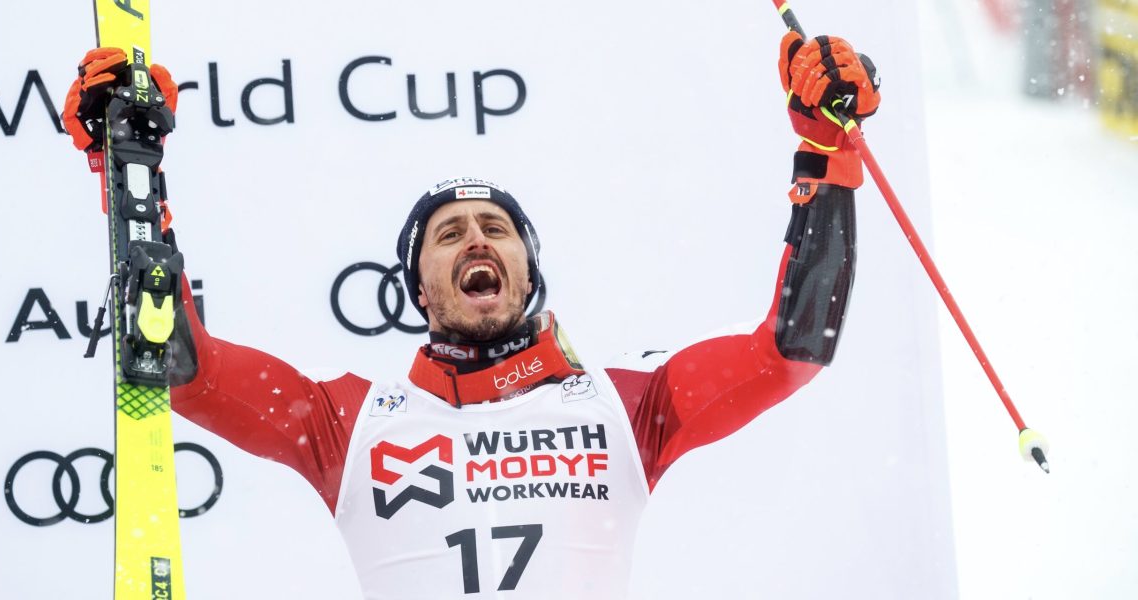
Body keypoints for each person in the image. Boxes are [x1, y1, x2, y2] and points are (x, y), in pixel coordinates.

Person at [64, 32, 880, 600]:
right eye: (448, 235)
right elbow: (180, 365)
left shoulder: (627, 407)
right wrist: (128, 164)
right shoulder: (348, 423)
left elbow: (791, 351)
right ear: (419, 288)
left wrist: (826, 152)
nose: (475, 240)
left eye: (496, 230)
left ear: (528, 270)